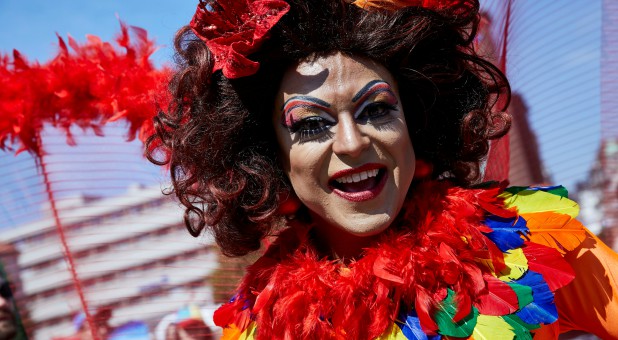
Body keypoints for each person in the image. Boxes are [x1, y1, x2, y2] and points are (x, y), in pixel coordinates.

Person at [147, 0, 618, 339]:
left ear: (415, 121)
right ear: (268, 158)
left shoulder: (533, 242)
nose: (353, 144)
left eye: (375, 110)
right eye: (311, 125)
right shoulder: (256, 328)